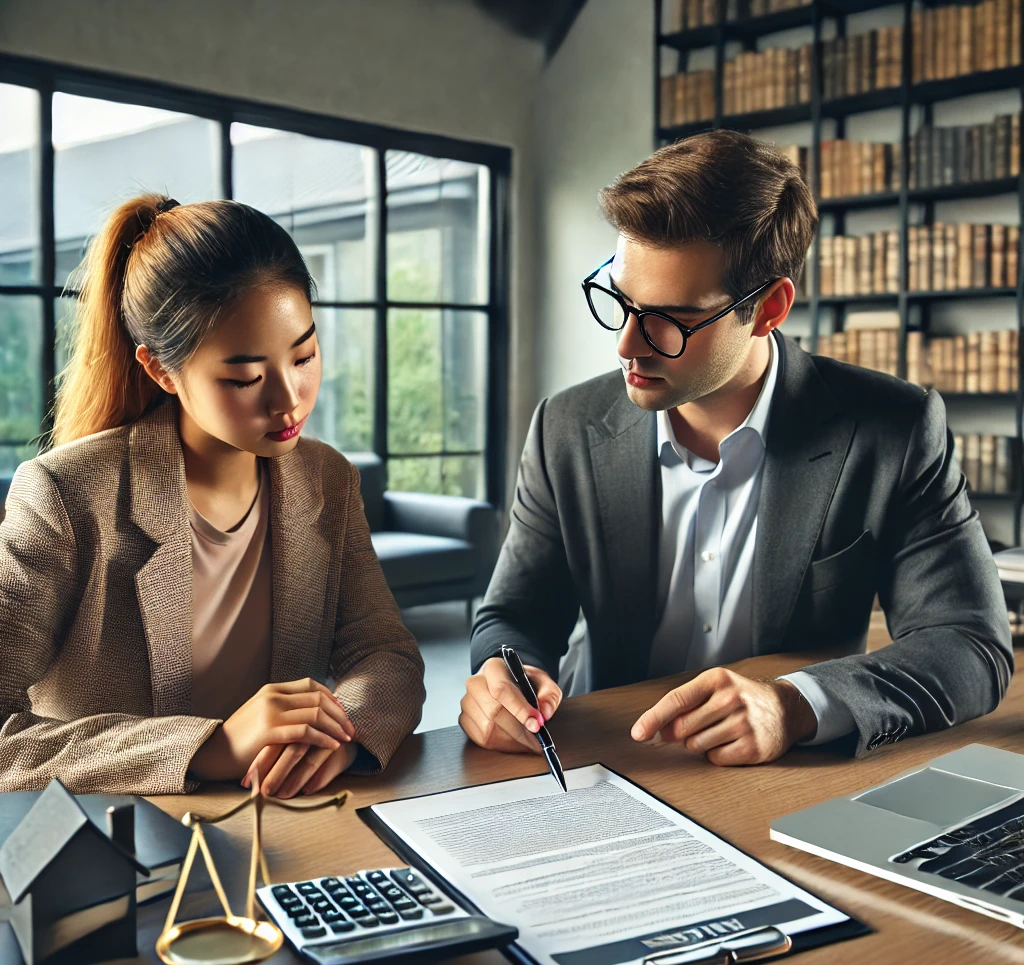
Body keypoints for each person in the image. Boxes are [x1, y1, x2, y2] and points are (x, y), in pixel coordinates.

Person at [461, 129, 1012, 766]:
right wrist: (507, 675)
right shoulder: (566, 426)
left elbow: (969, 643)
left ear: (770, 307)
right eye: (619, 299)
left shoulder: (894, 429)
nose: (626, 345)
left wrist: (796, 704)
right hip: (603, 761)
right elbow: (514, 614)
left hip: (783, 778)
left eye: (669, 317)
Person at [0, 194, 424, 796]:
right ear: (162, 371)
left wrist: (342, 732)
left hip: (284, 822)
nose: (289, 399)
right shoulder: (64, 497)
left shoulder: (327, 479)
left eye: (303, 354)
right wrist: (208, 747)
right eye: (246, 378)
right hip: (128, 850)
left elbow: (385, 654)